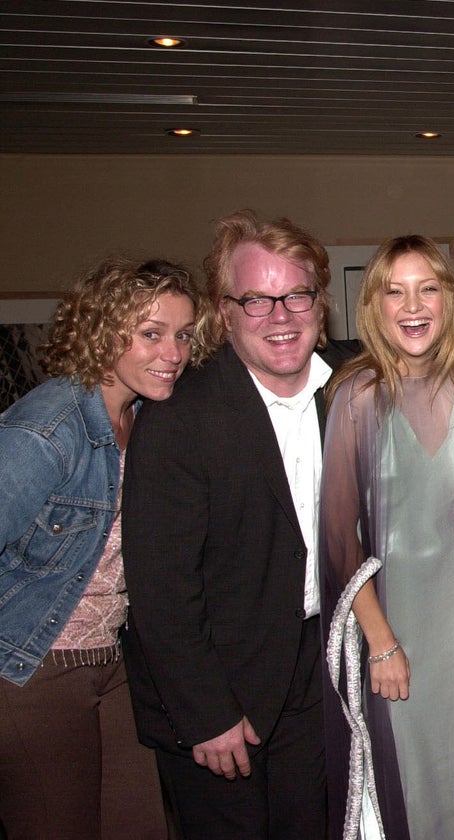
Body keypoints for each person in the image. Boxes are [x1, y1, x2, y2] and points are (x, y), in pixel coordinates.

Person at [121, 210, 358, 838]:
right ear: (224, 313)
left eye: (296, 295)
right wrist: (205, 714)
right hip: (222, 690)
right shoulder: (180, 419)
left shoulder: (352, 391)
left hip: (315, 674)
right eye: (257, 300)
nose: (280, 317)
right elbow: (161, 589)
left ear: (321, 302)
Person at [0, 257, 212, 839]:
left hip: (111, 663)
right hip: (31, 669)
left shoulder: (144, 416)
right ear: (101, 331)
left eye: (183, 335)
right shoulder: (47, 429)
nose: (173, 353)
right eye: (151, 334)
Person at [320, 235, 454, 838]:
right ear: (372, 306)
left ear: (450, 300)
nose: (412, 304)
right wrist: (380, 641)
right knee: (410, 783)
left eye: (428, 287)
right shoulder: (356, 396)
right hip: (393, 623)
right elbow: (339, 539)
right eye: (393, 291)